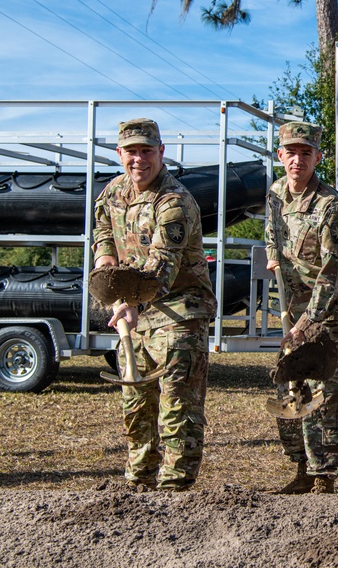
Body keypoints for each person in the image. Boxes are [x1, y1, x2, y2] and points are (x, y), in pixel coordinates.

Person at [93, 118, 217, 492]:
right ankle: (138, 484)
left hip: (181, 311)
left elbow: (162, 266)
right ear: (120, 154)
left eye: (147, 151)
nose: (139, 159)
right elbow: (103, 233)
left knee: (178, 404)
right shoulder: (112, 193)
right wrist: (106, 267)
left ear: (161, 152)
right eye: (131, 151)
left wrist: (129, 299)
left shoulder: (174, 202)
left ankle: (175, 491)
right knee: (136, 405)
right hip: (135, 314)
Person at [264, 121, 338, 494]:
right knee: (289, 380)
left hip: (326, 308)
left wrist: (308, 320)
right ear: (280, 155)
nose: (297, 160)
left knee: (322, 385)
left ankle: (325, 474)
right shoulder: (274, 195)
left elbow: (333, 272)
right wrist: (273, 256)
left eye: (306, 153)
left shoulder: (330, 206)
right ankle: (301, 466)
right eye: (291, 152)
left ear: (318, 157)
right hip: (291, 304)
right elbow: (272, 232)